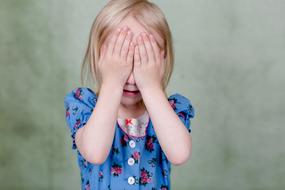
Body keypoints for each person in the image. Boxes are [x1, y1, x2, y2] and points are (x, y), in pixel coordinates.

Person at [64, 0, 195, 189]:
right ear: (99, 58)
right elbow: (95, 152)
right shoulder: (83, 104)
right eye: (121, 62)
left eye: (142, 62)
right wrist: (112, 81)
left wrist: (150, 86)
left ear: (162, 60)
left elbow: (180, 154)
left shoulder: (172, 109)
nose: (133, 79)